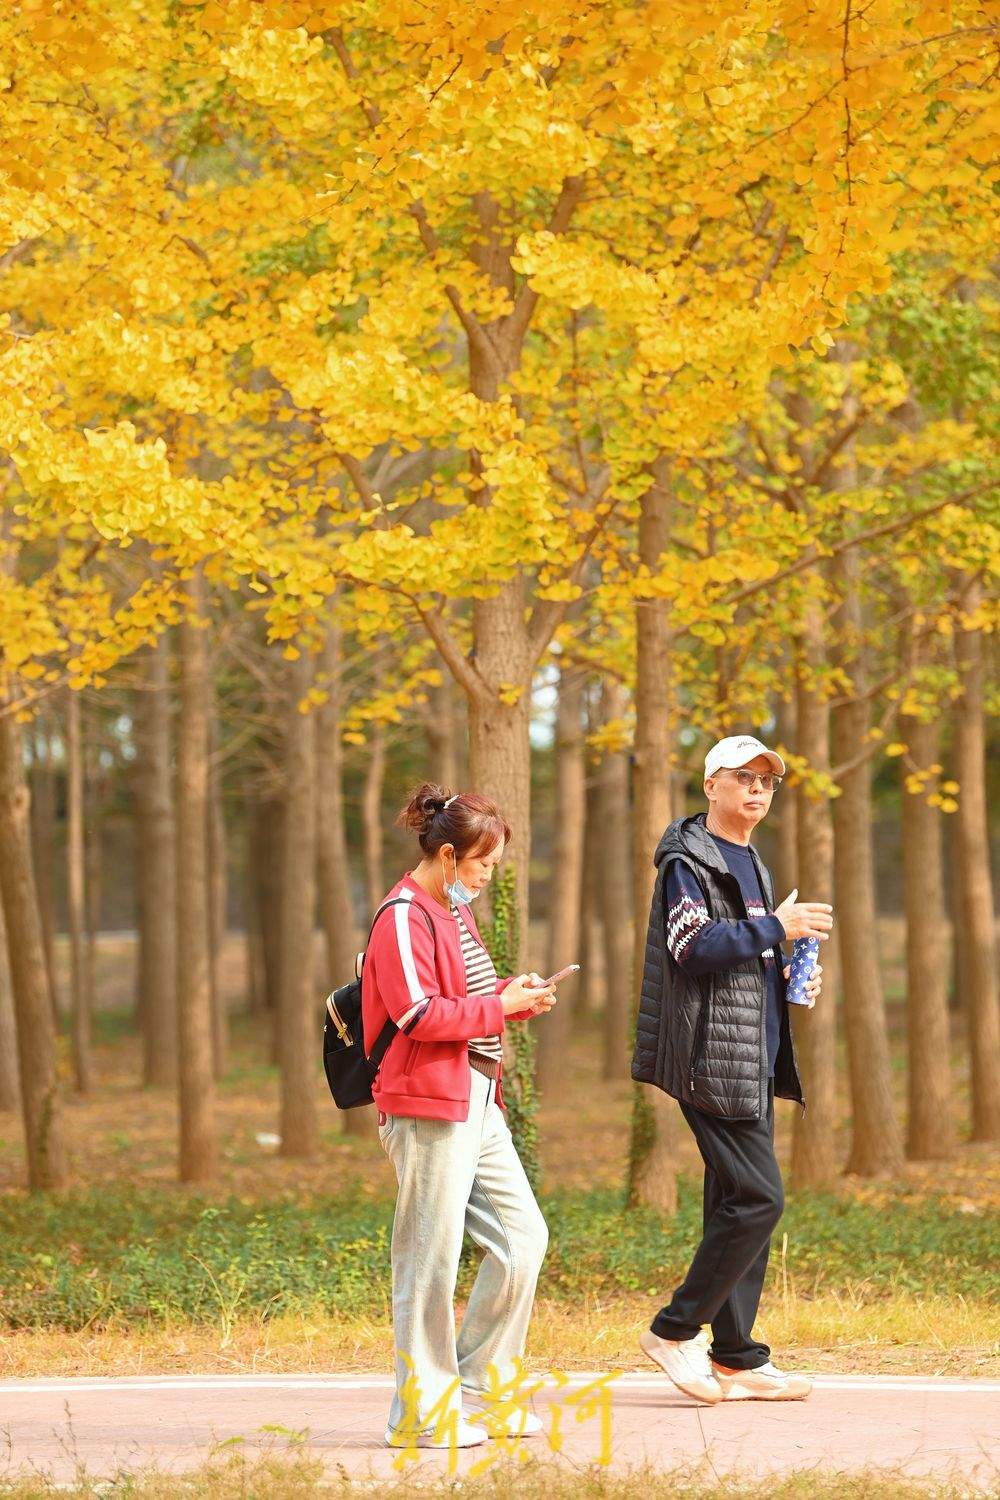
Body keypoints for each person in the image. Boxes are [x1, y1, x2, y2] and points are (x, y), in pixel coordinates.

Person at [632, 734, 832, 1403]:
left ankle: (738, 1356)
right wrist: (777, 927)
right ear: (711, 784)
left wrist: (791, 961)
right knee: (760, 1198)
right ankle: (672, 1329)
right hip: (706, 1057)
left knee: (732, 1198)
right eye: (743, 777)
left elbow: (748, 948)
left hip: (749, 1053)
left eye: (767, 782)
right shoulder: (689, 861)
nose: (756, 790)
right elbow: (691, 946)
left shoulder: (748, 859)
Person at [363, 783, 557, 1449]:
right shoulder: (402, 916)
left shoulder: (452, 911)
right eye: (483, 865)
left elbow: (467, 999)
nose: (486, 876)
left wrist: (511, 997)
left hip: (475, 1096)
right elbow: (416, 1015)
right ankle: (421, 1415)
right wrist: (496, 1010)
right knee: (429, 1258)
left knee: (522, 1238)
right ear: (448, 856)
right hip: (425, 1103)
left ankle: (486, 1391)